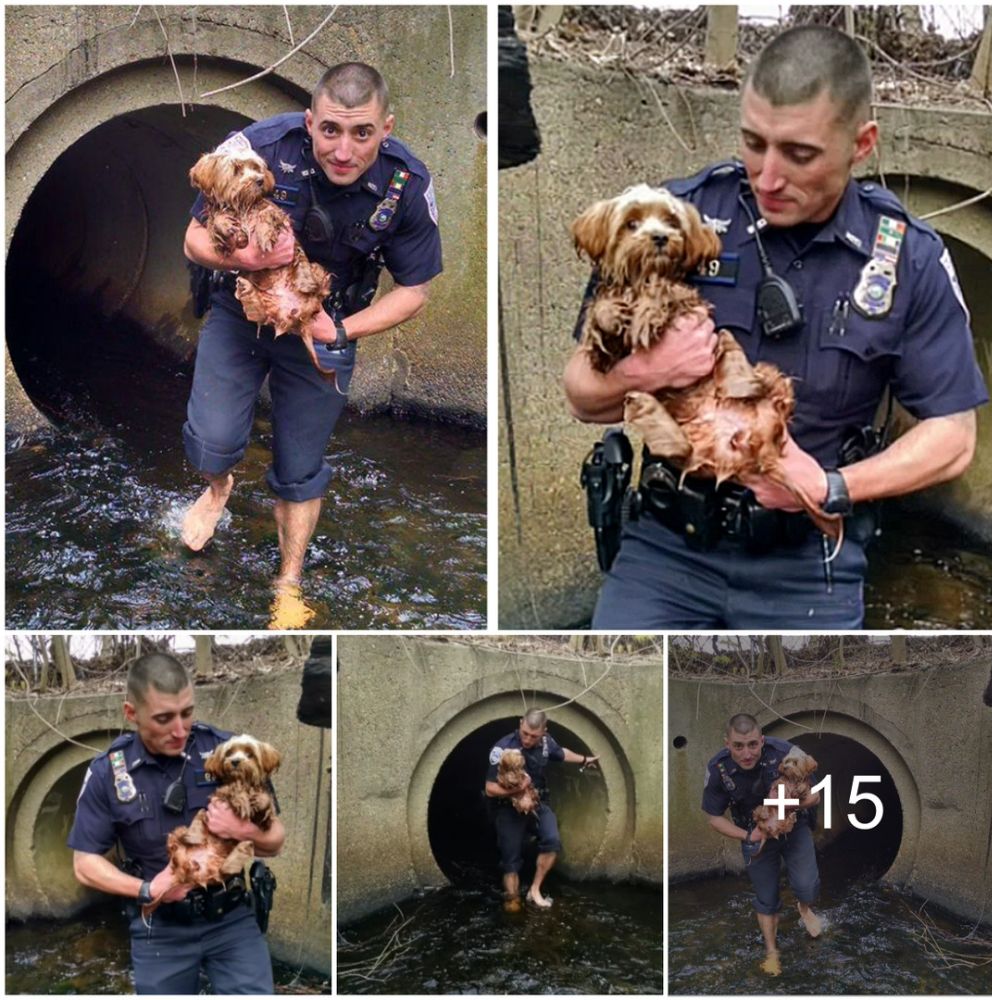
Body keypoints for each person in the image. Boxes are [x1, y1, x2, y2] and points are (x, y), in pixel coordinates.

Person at [564, 25, 988, 628]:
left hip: (808, 564)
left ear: (861, 144)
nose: (767, 177)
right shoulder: (680, 217)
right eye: (753, 143)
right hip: (666, 550)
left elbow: (953, 437)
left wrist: (830, 487)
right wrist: (646, 371)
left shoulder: (905, 259)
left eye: (799, 153)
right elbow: (581, 393)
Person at [181, 62, 443, 626]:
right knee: (211, 440)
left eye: (362, 133)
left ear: (386, 128)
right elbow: (193, 236)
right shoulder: (259, 148)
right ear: (309, 121)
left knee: (300, 469)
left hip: (326, 320)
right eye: (330, 131)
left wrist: (340, 330)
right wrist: (245, 258)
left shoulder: (407, 185)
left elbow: (415, 291)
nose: (343, 150)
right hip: (242, 307)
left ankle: (288, 580)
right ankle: (219, 484)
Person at [67, 652, 286, 994]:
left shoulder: (227, 750)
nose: (180, 730)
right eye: (164, 718)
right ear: (131, 713)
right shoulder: (108, 772)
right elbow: (84, 864)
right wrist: (147, 890)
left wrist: (244, 831)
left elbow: (276, 842)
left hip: (231, 918)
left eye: (187, 713)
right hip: (161, 930)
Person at [702, 713, 822, 976]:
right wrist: (749, 836)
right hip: (754, 831)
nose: (747, 753)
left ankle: (804, 906)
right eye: (738, 746)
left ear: (762, 740)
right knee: (766, 898)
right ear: (727, 744)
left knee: (807, 886)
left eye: (753, 745)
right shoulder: (718, 769)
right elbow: (713, 818)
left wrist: (787, 807)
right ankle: (771, 951)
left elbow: (815, 794)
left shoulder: (785, 753)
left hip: (793, 824)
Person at [484, 708, 599, 909]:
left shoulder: (546, 743)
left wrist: (584, 759)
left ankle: (534, 889)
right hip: (507, 807)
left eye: (534, 736)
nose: (528, 740)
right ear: (521, 723)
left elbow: (560, 753)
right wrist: (519, 790)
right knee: (511, 859)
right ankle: (512, 898)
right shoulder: (503, 749)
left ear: (544, 731)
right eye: (525, 733)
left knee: (552, 840)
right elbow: (490, 789)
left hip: (537, 801)